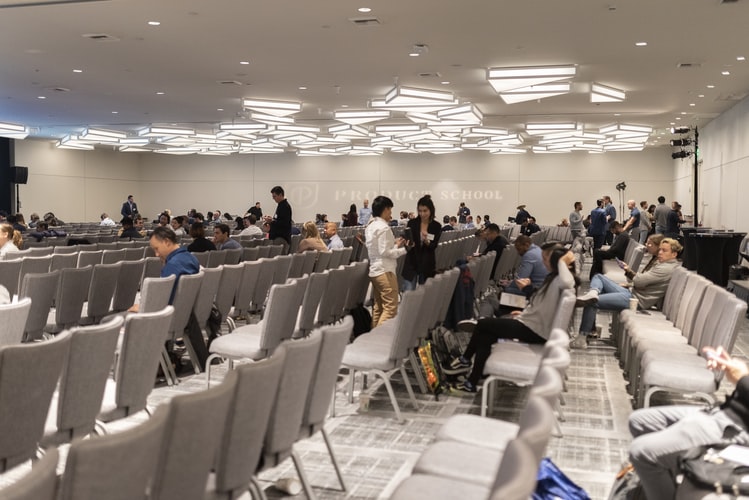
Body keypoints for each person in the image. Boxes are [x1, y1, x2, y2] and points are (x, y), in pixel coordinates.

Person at [449, 245, 577, 392]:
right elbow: (540, 303)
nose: (543, 262)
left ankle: (466, 360)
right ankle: (472, 380)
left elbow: (567, 282)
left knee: (484, 323)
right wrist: (524, 308)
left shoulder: (559, 279)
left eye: (546, 259)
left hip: (533, 328)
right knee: (486, 332)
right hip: (530, 320)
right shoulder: (553, 278)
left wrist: (561, 261)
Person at [629, 346, 749, 499]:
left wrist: (742, 377)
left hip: (737, 426)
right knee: (640, 421)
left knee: (640, 452)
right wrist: (733, 369)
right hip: (727, 410)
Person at [573, 237, 682, 349]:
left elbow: (639, 281)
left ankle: (582, 337)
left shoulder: (665, 268)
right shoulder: (664, 265)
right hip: (632, 292)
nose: (660, 253)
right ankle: (593, 292)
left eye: (664, 251)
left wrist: (633, 278)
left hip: (636, 300)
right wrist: (632, 283)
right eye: (660, 250)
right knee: (599, 277)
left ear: (674, 254)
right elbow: (642, 281)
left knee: (591, 302)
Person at [365, 196, 408, 327]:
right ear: (385, 209)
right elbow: (385, 252)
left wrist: (396, 246)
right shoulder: (384, 228)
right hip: (385, 271)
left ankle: (372, 338)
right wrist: (405, 249)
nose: (391, 213)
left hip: (375, 270)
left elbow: (380, 251)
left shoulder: (370, 226)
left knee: (379, 308)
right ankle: (379, 339)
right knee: (390, 308)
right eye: (390, 210)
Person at [401, 194, 442, 290]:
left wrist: (426, 240)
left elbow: (433, 246)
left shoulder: (436, 226)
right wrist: (407, 243)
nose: (422, 214)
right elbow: (408, 244)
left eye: (425, 211)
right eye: (420, 211)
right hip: (411, 262)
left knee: (425, 295)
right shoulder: (412, 223)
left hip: (427, 264)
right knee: (409, 295)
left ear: (431, 210)